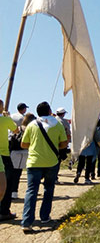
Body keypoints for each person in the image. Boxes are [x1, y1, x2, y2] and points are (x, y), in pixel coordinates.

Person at [20, 101, 68, 232]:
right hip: (51, 161)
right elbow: (64, 144)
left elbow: (23, 144)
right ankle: (45, 217)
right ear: (49, 111)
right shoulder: (57, 124)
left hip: (34, 162)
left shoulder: (32, 125)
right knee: (48, 189)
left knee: (31, 191)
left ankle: (26, 221)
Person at [10, 113, 35, 200]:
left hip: (15, 152)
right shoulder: (31, 129)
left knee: (11, 173)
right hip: (24, 152)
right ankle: (14, 192)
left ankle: (11, 191)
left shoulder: (18, 128)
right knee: (18, 174)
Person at [0, 99, 17, 221]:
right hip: (4, 154)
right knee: (7, 183)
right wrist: (7, 116)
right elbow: (16, 130)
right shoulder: (5, 119)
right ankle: (4, 211)